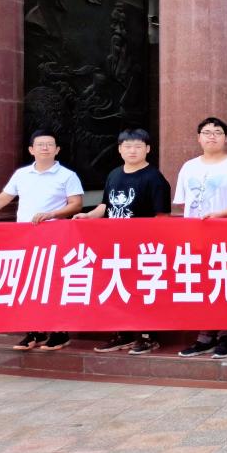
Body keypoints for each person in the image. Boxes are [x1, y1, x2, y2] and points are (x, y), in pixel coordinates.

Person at [0, 129, 84, 351]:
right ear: (31, 149)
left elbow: (76, 204)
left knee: (53, 283)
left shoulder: (67, 175)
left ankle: (59, 332)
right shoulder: (21, 175)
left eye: (50, 144)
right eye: (40, 144)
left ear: (57, 150)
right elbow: (2, 199)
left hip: (54, 237)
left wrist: (52, 214)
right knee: (29, 283)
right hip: (25, 237)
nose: (45, 148)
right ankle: (34, 331)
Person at [74, 128, 171, 356]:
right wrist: (88, 216)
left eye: (138, 146)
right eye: (127, 146)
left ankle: (148, 336)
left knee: (143, 291)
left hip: (143, 248)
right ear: (119, 150)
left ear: (148, 149)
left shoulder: (155, 178)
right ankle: (123, 333)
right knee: (118, 289)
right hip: (115, 247)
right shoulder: (114, 174)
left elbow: (162, 217)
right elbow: (105, 206)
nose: (132, 151)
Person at [173, 117, 227, 360]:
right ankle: (204, 336)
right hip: (195, 237)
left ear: (225, 138)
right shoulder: (189, 167)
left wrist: (220, 215)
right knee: (201, 285)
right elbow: (183, 203)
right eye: (207, 132)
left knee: (225, 283)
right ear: (198, 137)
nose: (212, 136)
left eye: (218, 132)